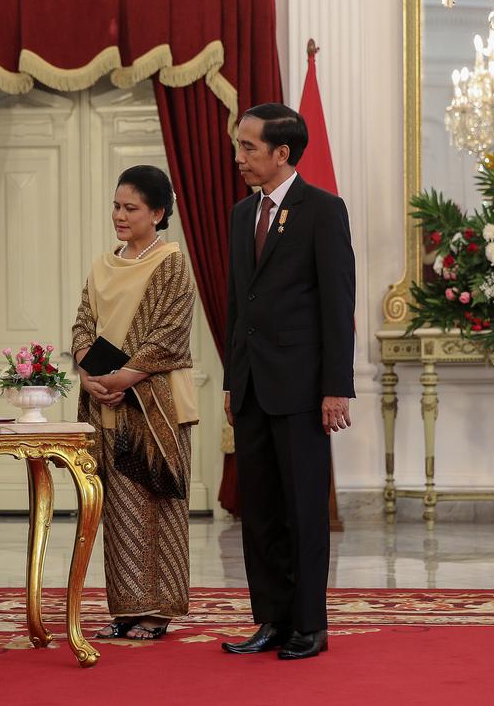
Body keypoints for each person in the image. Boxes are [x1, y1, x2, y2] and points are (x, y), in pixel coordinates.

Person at [220, 103, 355, 660]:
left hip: (301, 388)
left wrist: (336, 386)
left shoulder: (323, 210)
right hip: (251, 385)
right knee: (261, 512)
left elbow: (336, 302)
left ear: (282, 153)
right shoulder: (239, 214)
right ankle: (270, 620)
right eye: (240, 145)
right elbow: (237, 305)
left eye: (250, 148)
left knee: (302, 509)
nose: (240, 157)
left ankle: (309, 626)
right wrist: (231, 379)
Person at [71, 164, 198, 641]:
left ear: (158, 213)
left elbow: (168, 332)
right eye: (116, 207)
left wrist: (122, 377)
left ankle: (157, 612)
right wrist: (89, 374)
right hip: (108, 402)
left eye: (131, 208)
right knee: (120, 510)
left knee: (156, 506)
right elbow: (83, 324)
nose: (120, 216)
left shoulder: (171, 261)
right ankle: (125, 610)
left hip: (156, 404)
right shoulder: (104, 263)